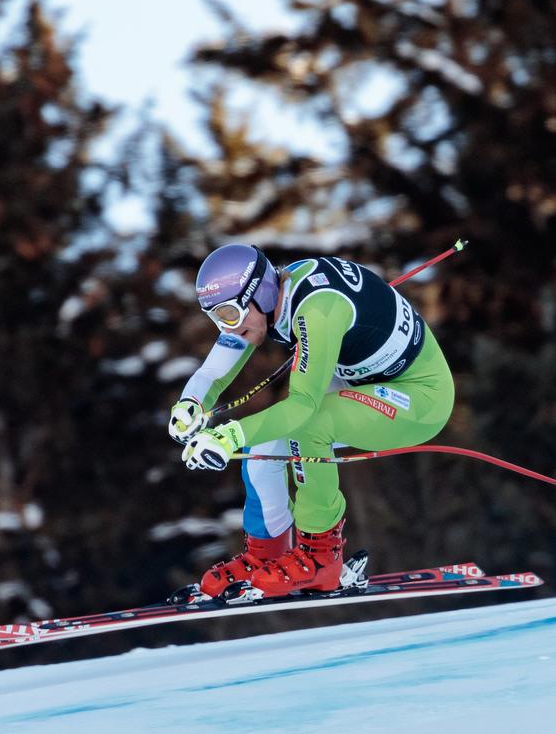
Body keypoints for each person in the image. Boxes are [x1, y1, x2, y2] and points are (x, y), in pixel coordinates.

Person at [168, 244, 455, 599]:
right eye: (215, 318)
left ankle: (321, 560)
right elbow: (216, 366)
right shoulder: (269, 297)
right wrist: (191, 403)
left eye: (228, 314)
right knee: (265, 440)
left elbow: (304, 406)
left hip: (419, 398)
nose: (228, 328)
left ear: (260, 294)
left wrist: (228, 436)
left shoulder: (316, 310)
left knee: (307, 423)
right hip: (363, 379)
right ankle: (265, 554)